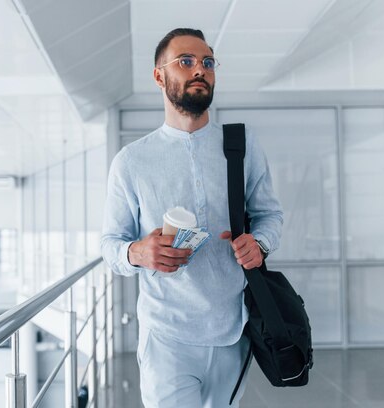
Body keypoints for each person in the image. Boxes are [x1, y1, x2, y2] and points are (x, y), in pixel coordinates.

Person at [100, 28, 283, 408]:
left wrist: (260, 243)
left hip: (233, 329)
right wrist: (138, 253)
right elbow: (110, 247)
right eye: (185, 61)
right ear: (159, 75)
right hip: (167, 335)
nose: (200, 69)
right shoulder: (131, 161)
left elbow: (269, 216)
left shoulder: (242, 146)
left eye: (208, 62)